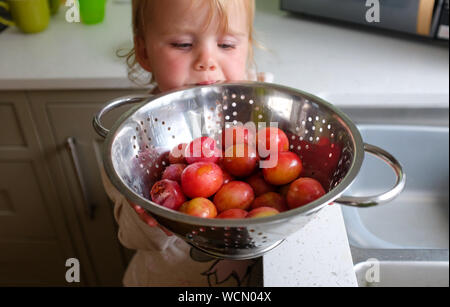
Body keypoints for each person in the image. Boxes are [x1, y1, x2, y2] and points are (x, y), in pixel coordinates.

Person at [101, 0, 270, 286]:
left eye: (227, 45)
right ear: (144, 52)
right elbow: (132, 238)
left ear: (248, 48)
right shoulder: (133, 143)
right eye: (181, 44)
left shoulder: (255, 110)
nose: (207, 60)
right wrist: (143, 211)